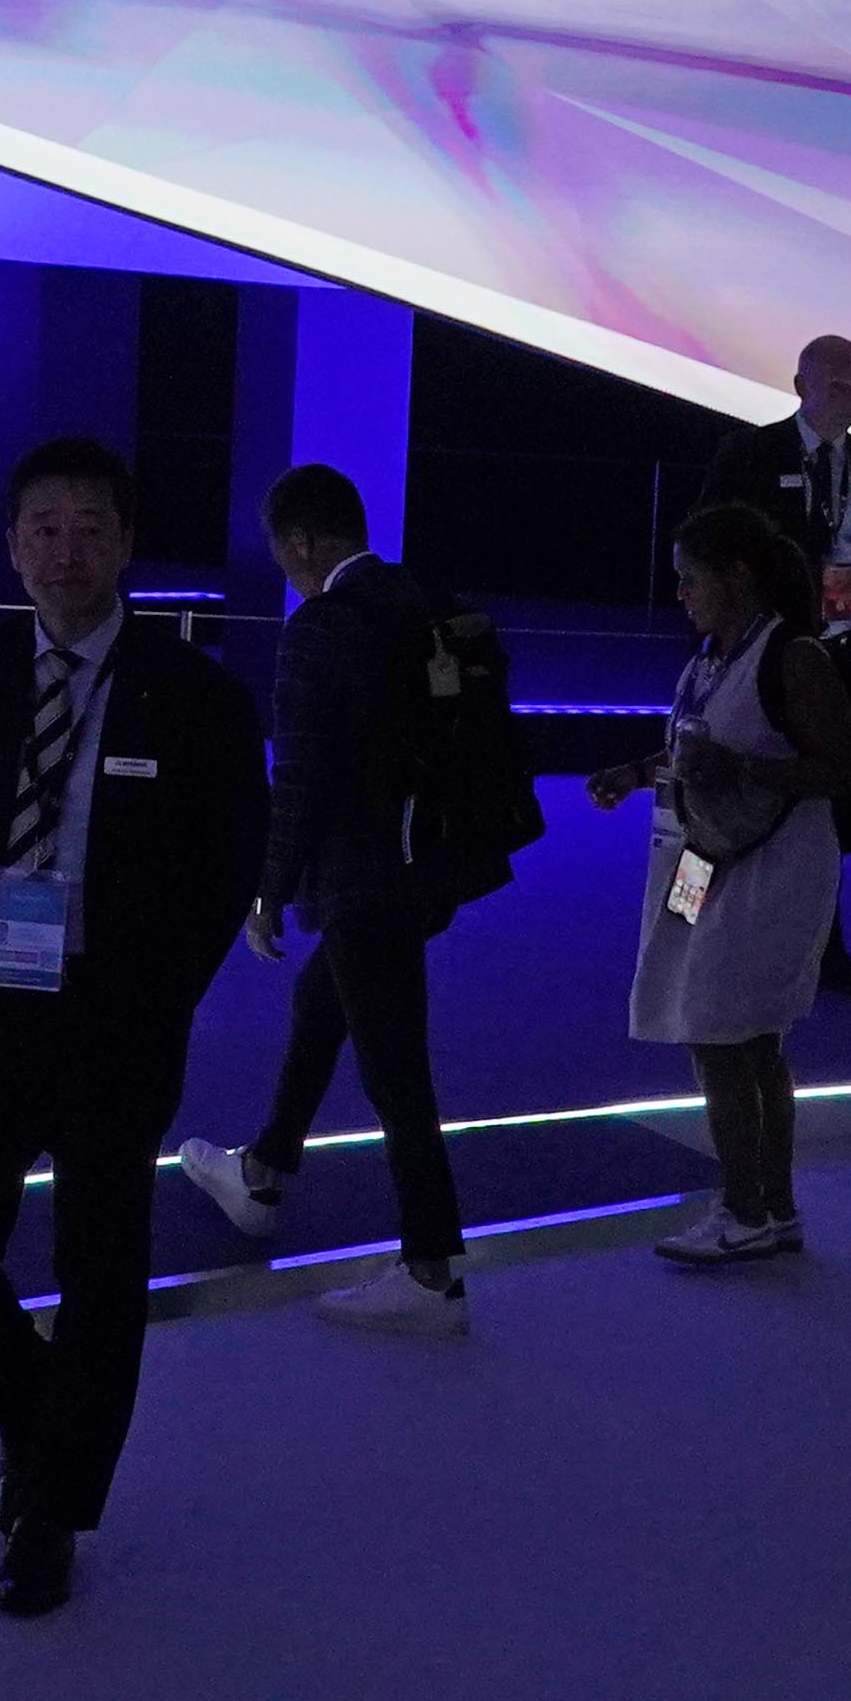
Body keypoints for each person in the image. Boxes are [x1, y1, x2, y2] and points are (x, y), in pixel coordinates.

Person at [0, 438, 263, 1616]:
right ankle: (46, 1419)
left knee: (98, 1269)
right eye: (43, 527)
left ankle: (52, 1513)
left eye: (90, 526)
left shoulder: (197, 694)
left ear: (126, 543)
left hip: (118, 1019)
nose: (66, 549)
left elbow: (228, 868)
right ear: (13, 546)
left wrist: (155, 994)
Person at [177, 459, 532, 1335]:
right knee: (323, 1009)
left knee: (395, 1070)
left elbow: (298, 777)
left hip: (363, 874)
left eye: (280, 552)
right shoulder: (422, 601)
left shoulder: (323, 626)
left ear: (299, 542)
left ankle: (432, 1268)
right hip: (432, 863)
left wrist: (266, 893)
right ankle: (262, 1171)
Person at [593, 498, 851, 1268]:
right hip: (695, 864)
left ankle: (746, 1208)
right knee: (722, 1026)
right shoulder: (711, 655)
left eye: (691, 580)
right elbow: (696, 751)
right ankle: (771, 1206)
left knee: (725, 1032)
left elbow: (842, 770)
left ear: (738, 577)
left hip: (769, 870)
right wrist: (634, 772)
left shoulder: (791, 656)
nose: (680, 595)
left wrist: (741, 769)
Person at [694, 335, 851, 1000]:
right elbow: (707, 542)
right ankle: (692, 924)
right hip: (763, 653)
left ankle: (825, 945)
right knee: (727, 796)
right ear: (800, 385)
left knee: (829, 804)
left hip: (846, 654)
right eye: (841, 384)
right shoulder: (749, 455)